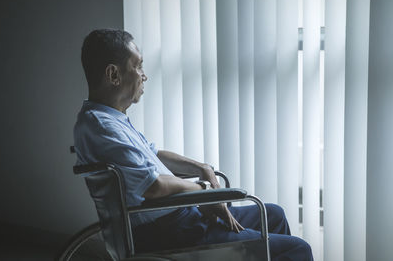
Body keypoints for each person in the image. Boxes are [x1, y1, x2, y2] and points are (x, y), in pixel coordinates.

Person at [74, 29, 313, 260]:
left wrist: (201, 167)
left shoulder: (111, 119)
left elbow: (155, 155)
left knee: (274, 215)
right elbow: (153, 186)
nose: (144, 75)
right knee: (297, 250)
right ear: (114, 75)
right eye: (137, 66)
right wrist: (203, 192)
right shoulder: (103, 127)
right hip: (173, 231)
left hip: (181, 218)